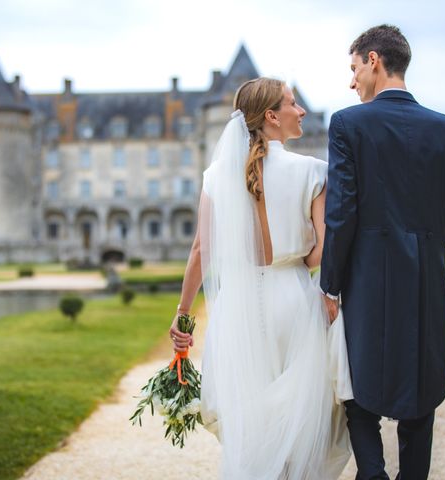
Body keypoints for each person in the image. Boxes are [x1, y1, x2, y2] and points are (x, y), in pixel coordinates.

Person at [170, 77, 352, 479]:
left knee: (249, 418)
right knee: (301, 413)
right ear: (272, 116)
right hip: (293, 299)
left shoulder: (217, 174)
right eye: (292, 103)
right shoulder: (314, 171)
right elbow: (325, 247)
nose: (300, 110)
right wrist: (296, 264)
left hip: (238, 303)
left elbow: (202, 249)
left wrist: (183, 315)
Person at [320, 25, 445, 479]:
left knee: (358, 386)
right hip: (426, 279)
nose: (352, 82)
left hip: (366, 280)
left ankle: (372, 474)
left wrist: (330, 284)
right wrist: (419, 237)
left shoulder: (348, 123)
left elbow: (341, 214)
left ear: (374, 60)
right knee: (421, 390)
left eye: (353, 69)